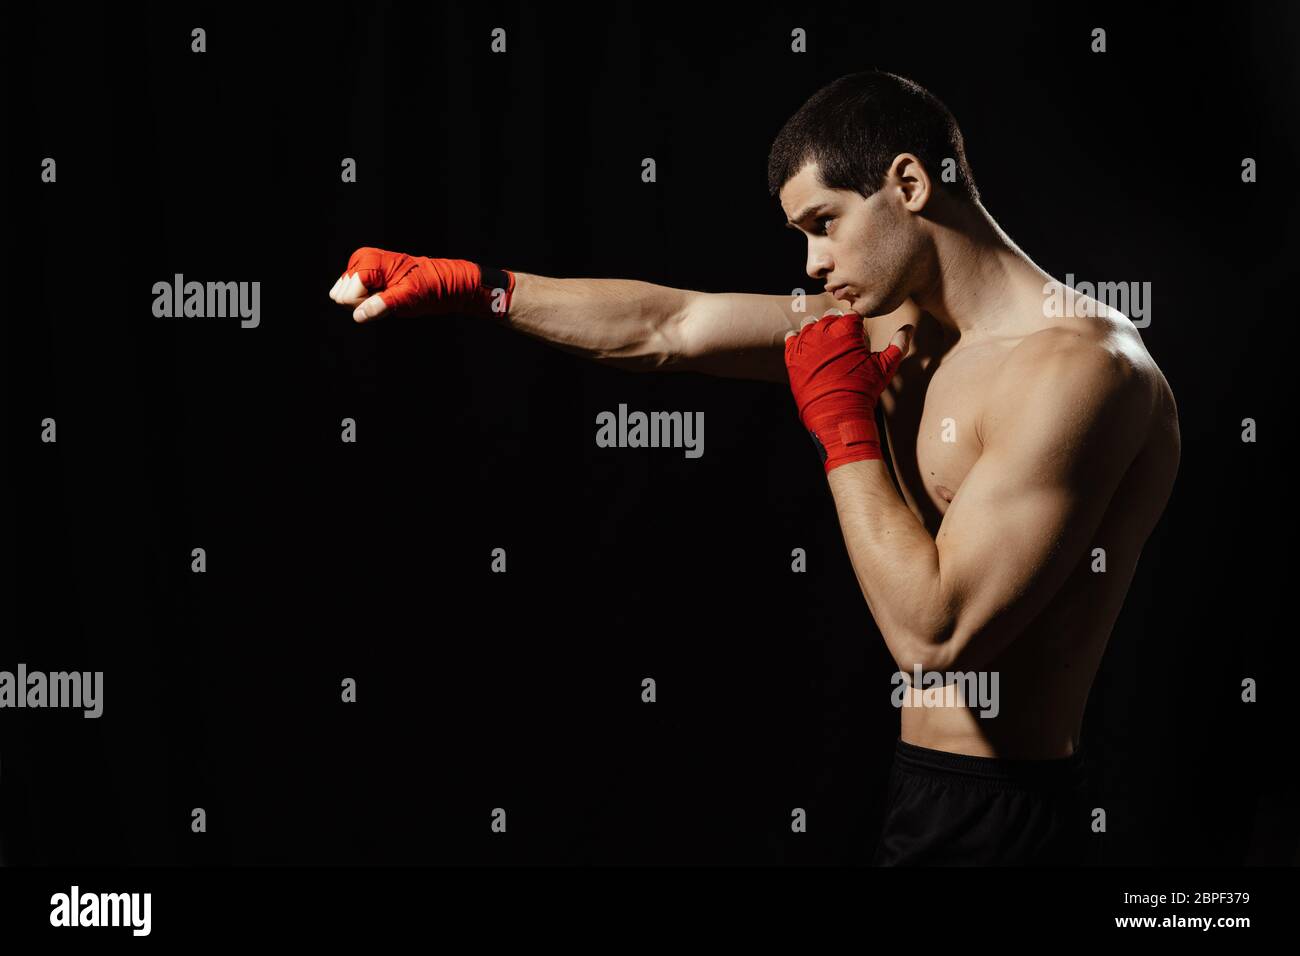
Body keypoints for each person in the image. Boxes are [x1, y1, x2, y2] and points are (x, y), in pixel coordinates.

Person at [328, 70, 1180, 866]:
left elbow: (936, 639)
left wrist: (843, 429)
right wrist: (484, 288)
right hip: (918, 785)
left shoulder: (1078, 370)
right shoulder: (901, 326)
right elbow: (674, 326)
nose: (811, 266)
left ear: (910, 184)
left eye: (825, 224)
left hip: (1006, 816)